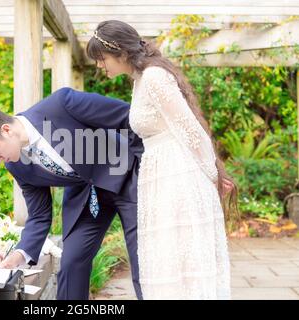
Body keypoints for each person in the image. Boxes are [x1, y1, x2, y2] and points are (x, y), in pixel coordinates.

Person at [86, 20, 238, 299]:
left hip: (178, 176)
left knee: (179, 260)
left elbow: (191, 130)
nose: (99, 65)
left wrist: (214, 175)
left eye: (101, 58)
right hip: (160, 175)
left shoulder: (154, 77)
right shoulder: (141, 79)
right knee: (165, 259)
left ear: (119, 52)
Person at [0, 88, 144, 300]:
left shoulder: (62, 104)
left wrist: (146, 163)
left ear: (6, 130)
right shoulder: (17, 166)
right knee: (71, 262)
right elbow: (39, 215)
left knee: (142, 259)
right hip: (86, 196)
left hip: (126, 176)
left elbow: (126, 116)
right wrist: (18, 255)